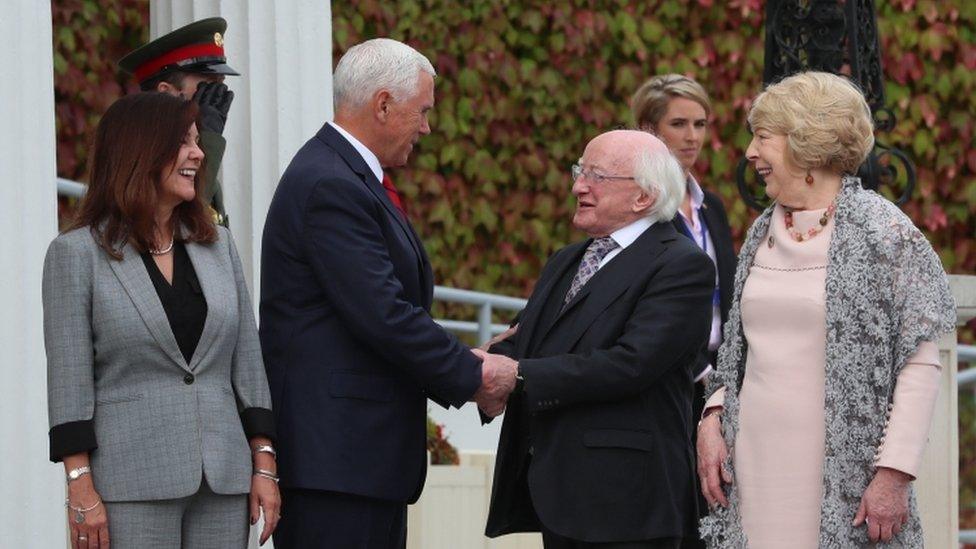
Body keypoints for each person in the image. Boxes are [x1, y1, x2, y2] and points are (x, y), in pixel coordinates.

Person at [259, 38, 517, 548]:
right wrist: (475, 375)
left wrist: (466, 361)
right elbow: (384, 314)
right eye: (421, 111)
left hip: (356, 462)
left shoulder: (345, 176)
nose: (426, 126)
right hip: (337, 465)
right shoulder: (330, 184)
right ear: (382, 104)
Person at [696, 72, 956, 547]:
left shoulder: (886, 233)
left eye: (762, 137)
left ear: (805, 143)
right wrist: (712, 418)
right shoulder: (761, 231)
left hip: (844, 478)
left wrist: (894, 475)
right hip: (753, 468)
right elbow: (736, 351)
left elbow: (918, 365)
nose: (750, 153)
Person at [43, 92, 279, 549]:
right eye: (184, 142)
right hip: (128, 487)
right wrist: (80, 486)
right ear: (140, 151)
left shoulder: (218, 245)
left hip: (224, 481)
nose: (198, 153)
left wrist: (264, 463)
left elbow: (247, 363)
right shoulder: (75, 255)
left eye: (196, 141)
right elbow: (69, 380)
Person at [483, 130, 715, 549]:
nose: (578, 186)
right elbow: (528, 338)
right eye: (579, 171)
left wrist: (516, 376)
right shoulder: (567, 259)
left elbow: (632, 363)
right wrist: (475, 366)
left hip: (628, 505)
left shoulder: (682, 265)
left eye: (596, 176)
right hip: (560, 493)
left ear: (643, 197)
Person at [631, 75, 736, 549]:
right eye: (679, 123)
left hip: (717, 385)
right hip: (670, 381)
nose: (692, 136)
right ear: (650, 129)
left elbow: (731, 295)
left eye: (700, 123)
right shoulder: (639, 206)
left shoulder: (710, 206)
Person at [119, 17, 238, 227]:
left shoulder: (194, 154)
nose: (218, 96)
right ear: (166, 93)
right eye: (207, 86)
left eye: (219, 85)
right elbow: (179, 225)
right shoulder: (134, 159)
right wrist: (208, 137)